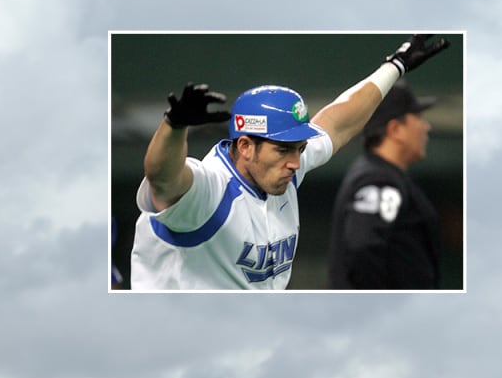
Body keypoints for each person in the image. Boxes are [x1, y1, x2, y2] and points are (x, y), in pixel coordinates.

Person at [129, 34, 449, 290]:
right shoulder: (209, 189)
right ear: (245, 146)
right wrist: (174, 126)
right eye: (283, 150)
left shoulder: (282, 167)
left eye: (299, 148)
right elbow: (163, 176)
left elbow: (338, 123)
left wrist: (395, 65)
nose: (296, 162)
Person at [327, 80, 442, 289]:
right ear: (396, 129)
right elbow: (361, 249)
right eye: (418, 118)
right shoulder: (378, 180)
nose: (426, 127)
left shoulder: (382, 174)